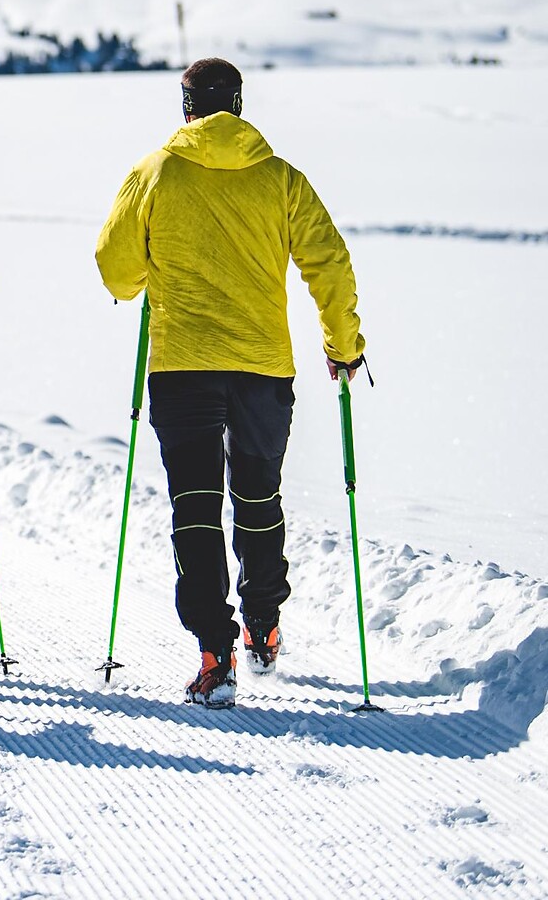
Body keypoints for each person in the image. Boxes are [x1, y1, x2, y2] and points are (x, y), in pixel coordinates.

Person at [96, 58, 365, 709]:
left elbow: (114, 267)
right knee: (258, 498)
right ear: (240, 104)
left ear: (184, 105)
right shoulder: (280, 178)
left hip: (183, 367)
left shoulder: (156, 170)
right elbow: (328, 259)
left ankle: (215, 655)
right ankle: (264, 624)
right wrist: (343, 345)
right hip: (262, 368)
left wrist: (142, 280)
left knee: (194, 507)